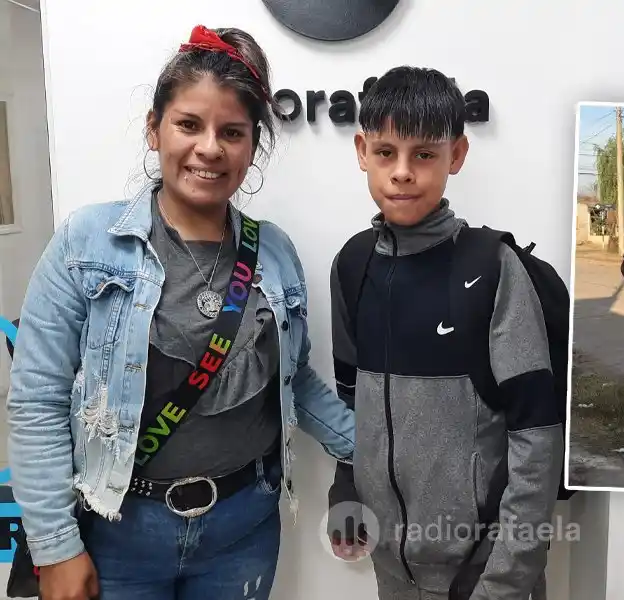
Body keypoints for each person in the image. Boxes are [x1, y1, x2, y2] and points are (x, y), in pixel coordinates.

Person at [6, 25, 355, 600]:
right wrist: (55, 545)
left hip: (243, 530)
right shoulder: (86, 245)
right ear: (154, 129)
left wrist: (377, 453)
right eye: (189, 124)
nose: (210, 148)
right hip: (117, 534)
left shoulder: (275, 253)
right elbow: (37, 400)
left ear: (252, 145)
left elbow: (298, 383)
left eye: (233, 132)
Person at [326, 66, 564, 600]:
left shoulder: (494, 268)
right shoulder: (353, 265)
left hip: (484, 575)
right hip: (393, 573)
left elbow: (536, 436)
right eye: (386, 152)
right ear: (362, 150)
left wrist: (505, 578)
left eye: (424, 155)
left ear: (456, 156)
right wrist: (346, 488)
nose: (402, 172)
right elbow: (350, 403)